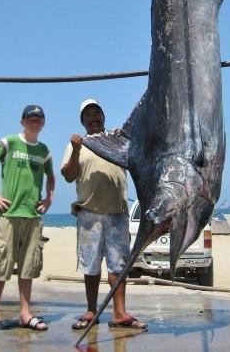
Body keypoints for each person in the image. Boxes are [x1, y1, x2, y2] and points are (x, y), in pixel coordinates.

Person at [61, 98, 147, 331]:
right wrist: (77, 149)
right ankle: (91, 310)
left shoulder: (119, 140)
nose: (93, 117)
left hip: (118, 214)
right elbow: (68, 175)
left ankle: (119, 312)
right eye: (88, 114)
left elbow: (140, 158)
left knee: (118, 266)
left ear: (104, 116)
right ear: (82, 121)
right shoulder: (76, 145)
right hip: (89, 214)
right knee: (90, 266)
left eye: (97, 112)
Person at [0, 104, 55, 337]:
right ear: (22, 122)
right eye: (31, 119)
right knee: (0, 267)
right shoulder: (9, 142)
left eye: (39, 119)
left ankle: (25, 314)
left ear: (43, 123)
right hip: (8, 215)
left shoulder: (44, 151)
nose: (35, 122)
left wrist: (49, 199)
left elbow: (51, 177)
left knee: (28, 268)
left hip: (32, 217)